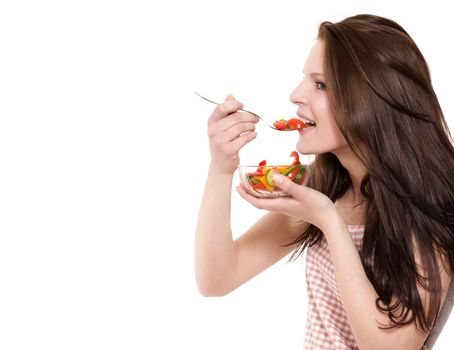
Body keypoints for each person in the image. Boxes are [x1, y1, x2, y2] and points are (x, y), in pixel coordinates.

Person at [194, 14, 454, 350]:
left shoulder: (431, 204)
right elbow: (216, 278)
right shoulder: (323, 188)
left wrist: (330, 221)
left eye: (320, 84)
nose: (295, 95)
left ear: (371, 99)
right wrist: (221, 167)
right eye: (305, 79)